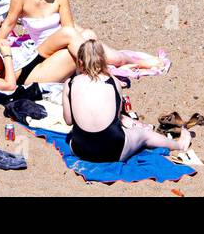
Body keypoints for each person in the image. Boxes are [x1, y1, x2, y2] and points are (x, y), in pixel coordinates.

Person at [0, 0, 164, 82]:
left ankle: (138, 62)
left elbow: (68, 24)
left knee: (110, 53)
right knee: (73, 34)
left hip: (64, 40)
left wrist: (86, 36)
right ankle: (104, 74)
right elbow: (10, 22)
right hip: (44, 48)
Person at [63, 39, 191, 162]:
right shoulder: (113, 82)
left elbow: (68, 121)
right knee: (144, 135)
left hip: (80, 150)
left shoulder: (70, 83)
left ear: (80, 62)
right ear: (103, 61)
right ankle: (179, 145)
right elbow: (116, 118)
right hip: (114, 151)